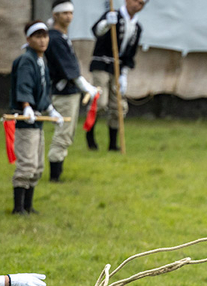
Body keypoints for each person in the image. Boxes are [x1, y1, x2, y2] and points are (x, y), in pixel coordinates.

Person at [9, 21, 62, 215]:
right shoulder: (26, 60)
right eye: (38, 36)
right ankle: (18, 207)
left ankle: (28, 206)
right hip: (26, 120)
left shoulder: (41, 61)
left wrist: (50, 109)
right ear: (28, 39)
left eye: (45, 36)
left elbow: (43, 90)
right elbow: (23, 86)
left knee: (38, 165)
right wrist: (26, 106)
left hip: (37, 121)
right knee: (27, 163)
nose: (42, 40)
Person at [46, 1, 100, 181]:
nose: (68, 17)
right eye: (64, 13)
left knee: (67, 133)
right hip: (62, 92)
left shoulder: (62, 36)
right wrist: (86, 87)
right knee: (63, 133)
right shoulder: (54, 38)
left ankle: (57, 172)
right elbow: (67, 68)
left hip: (69, 91)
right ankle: (55, 176)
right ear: (55, 15)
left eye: (70, 13)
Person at [87, 0, 146, 152]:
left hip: (118, 67)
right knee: (100, 102)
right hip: (102, 63)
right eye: (135, 1)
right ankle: (90, 137)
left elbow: (130, 54)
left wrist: (124, 74)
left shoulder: (137, 28)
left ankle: (113, 144)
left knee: (118, 106)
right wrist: (106, 24)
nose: (136, 5)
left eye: (141, 3)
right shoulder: (112, 15)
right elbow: (96, 31)